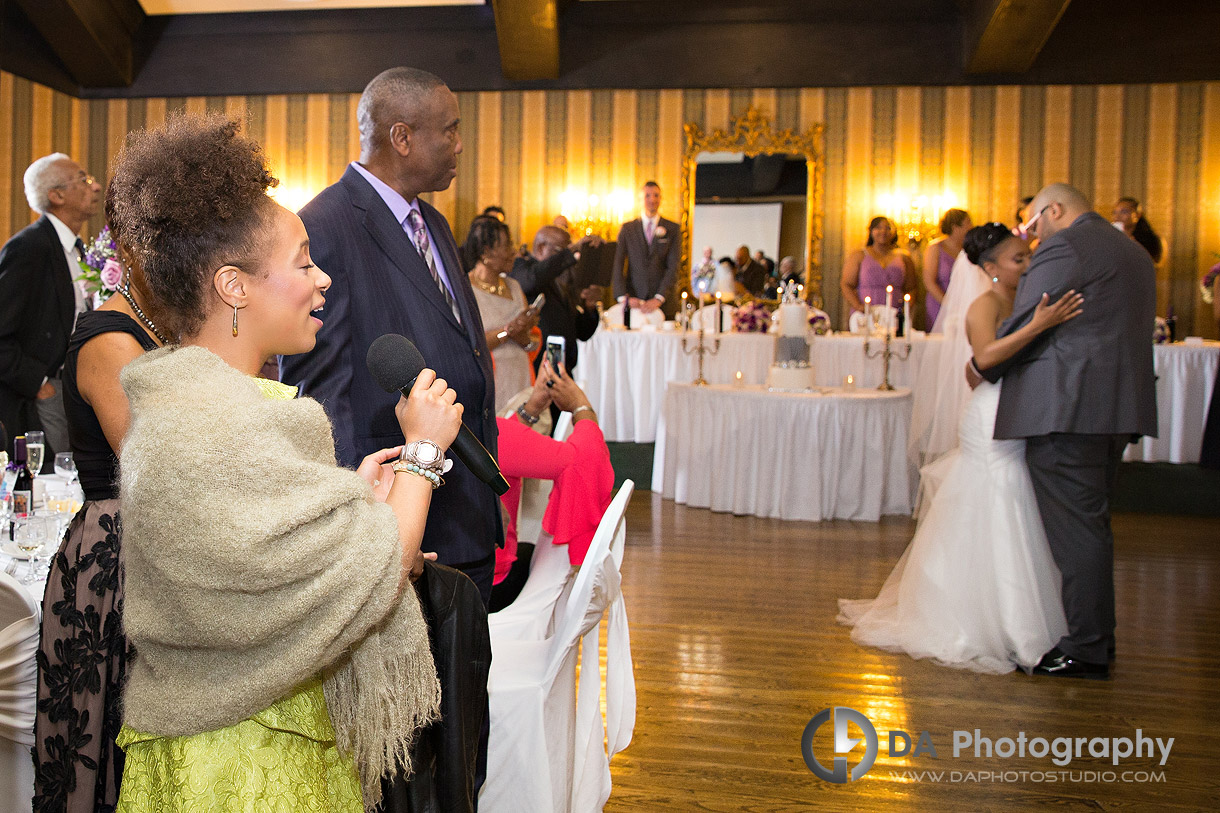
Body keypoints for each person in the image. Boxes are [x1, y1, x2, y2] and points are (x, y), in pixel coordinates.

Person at [107, 114, 457, 811]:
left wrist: (340, 503)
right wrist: (422, 455)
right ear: (234, 285)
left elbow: (259, 562)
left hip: (264, 739)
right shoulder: (212, 426)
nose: (322, 279)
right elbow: (378, 569)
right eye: (303, 262)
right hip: (240, 768)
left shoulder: (218, 409)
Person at [279, 66, 503, 604]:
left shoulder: (435, 223)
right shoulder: (326, 226)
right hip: (403, 520)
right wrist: (363, 522)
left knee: (468, 684)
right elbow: (321, 394)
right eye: (448, 130)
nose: (459, 144)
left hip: (465, 509)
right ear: (401, 137)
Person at [840, 223, 1084, 674]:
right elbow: (985, 358)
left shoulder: (1022, 299)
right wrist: (1039, 326)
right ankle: (1000, 626)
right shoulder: (984, 305)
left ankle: (1017, 618)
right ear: (990, 268)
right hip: (989, 413)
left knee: (1013, 501)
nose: (1028, 264)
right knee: (998, 494)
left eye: (1027, 256)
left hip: (1015, 406)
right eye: (1018, 259)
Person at [971, 184, 1158, 680]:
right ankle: (1100, 636)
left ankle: (1087, 647)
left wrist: (983, 368)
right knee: (1092, 525)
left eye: (1033, 226)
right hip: (1115, 406)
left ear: (1054, 210)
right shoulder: (1134, 251)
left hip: (1066, 407)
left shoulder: (1065, 245)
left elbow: (1032, 321)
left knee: (1078, 532)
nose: (1033, 240)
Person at [32, 194, 167, 812]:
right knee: (110, 751)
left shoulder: (162, 326)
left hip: (158, 549)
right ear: (136, 247)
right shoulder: (111, 341)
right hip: (116, 564)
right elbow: (153, 468)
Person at [489, 359, 614, 612]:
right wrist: (581, 406)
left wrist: (532, 407)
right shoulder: (496, 435)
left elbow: (497, 446)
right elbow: (583, 461)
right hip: (491, 585)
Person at [0, 154, 102, 463]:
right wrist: (40, 384)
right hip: (41, 393)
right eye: (83, 180)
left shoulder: (78, 248)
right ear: (56, 195)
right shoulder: (29, 248)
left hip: (73, 386)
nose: (95, 186)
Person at [462, 215, 538, 412]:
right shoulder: (465, 289)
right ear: (486, 252)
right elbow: (467, 344)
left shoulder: (514, 286)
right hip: (490, 380)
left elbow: (529, 343)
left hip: (521, 375)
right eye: (506, 246)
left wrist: (523, 333)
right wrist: (508, 331)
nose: (513, 252)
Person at [509, 224, 602, 377]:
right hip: (537, 369)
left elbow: (582, 332)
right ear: (540, 248)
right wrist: (570, 252)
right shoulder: (522, 268)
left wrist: (590, 308)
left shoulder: (562, 280)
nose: (568, 260)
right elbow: (531, 281)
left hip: (563, 370)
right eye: (561, 251)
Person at [612, 181, 680, 319]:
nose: (652, 199)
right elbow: (618, 264)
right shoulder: (628, 229)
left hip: (664, 302)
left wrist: (659, 297)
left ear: (661, 198)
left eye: (656, 195)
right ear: (641, 199)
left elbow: (673, 266)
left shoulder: (672, 229)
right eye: (648, 195)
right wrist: (623, 297)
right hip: (634, 300)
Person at [840, 216, 916, 318]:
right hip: (866, 313)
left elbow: (911, 288)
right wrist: (858, 306)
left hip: (894, 313)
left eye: (888, 228)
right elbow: (846, 284)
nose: (883, 231)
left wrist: (905, 310)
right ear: (871, 231)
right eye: (878, 228)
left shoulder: (904, 257)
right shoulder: (859, 255)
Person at [922, 208, 972, 329]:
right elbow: (929, 281)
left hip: (965, 302)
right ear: (955, 227)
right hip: (939, 303)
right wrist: (949, 304)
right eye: (968, 223)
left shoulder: (968, 249)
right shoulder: (935, 248)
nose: (971, 227)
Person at [1112, 196, 1165, 265]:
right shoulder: (1111, 237)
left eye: (1124, 212)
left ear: (1137, 215)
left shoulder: (1150, 239)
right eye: (1114, 212)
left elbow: (1150, 264)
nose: (1117, 216)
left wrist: (1130, 242)